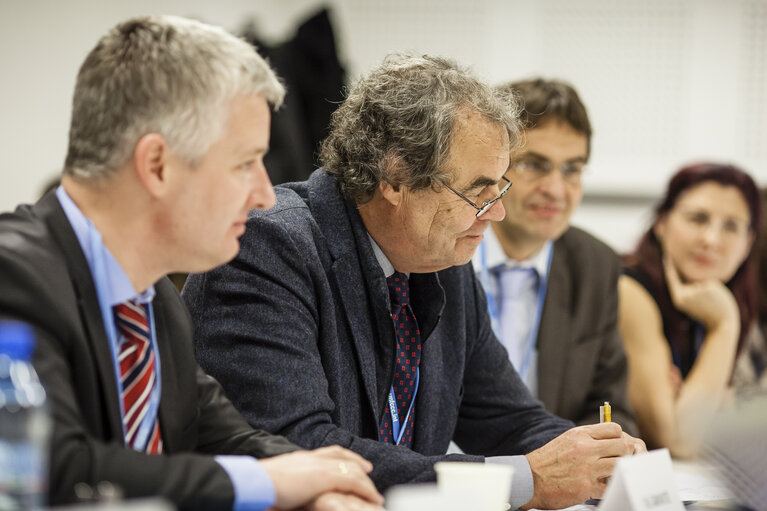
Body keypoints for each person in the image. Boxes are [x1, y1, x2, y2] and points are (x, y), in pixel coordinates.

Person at [183, 54, 645, 510]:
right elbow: (299, 448)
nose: (496, 212)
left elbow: (507, 417)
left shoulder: (441, 260)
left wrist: (600, 460)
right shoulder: (268, 246)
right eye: (477, 191)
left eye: (499, 188)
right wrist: (522, 481)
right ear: (397, 176)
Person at [0, 16, 384, 511]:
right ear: (157, 165)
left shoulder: (154, 297)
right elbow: (56, 468)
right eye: (245, 163)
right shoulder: (14, 275)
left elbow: (229, 440)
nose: (267, 196)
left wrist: (326, 482)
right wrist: (270, 485)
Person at [472, 78, 636, 434]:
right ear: (494, 166)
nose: (556, 190)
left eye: (572, 170)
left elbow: (613, 408)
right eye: (534, 165)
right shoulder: (444, 249)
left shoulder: (595, 265)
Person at [619, 163, 762, 458]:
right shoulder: (631, 289)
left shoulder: (732, 298)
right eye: (697, 219)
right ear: (661, 223)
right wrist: (724, 326)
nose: (711, 239)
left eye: (731, 226)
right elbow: (680, 440)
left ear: (748, 244)